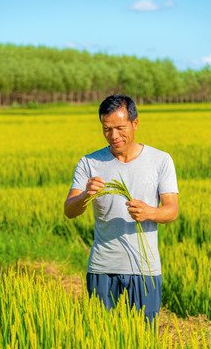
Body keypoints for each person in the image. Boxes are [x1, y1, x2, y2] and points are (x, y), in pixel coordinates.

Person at [64, 94, 179, 331]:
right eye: (107, 129)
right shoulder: (89, 163)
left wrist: (149, 212)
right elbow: (69, 210)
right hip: (102, 268)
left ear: (135, 124)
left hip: (145, 270)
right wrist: (86, 195)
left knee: (144, 338)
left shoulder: (161, 160)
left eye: (119, 128)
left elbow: (172, 210)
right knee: (102, 337)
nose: (113, 136)